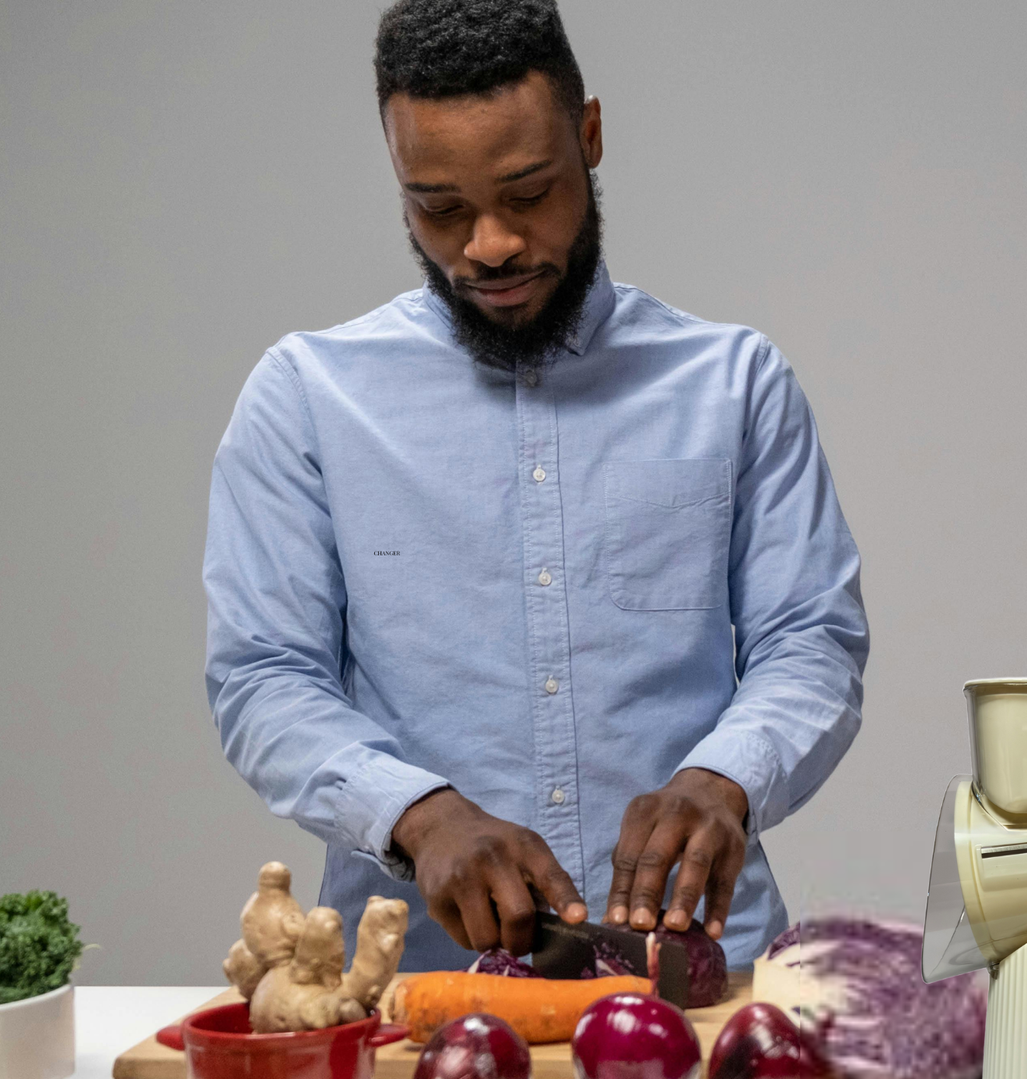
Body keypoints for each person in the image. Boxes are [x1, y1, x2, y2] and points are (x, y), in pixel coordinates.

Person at [202, 0, 867, 971]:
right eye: (439, 207)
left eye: (527, 192)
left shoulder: (735, 385)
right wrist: (418, 818)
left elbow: (811, 642)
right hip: (416, 998)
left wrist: (724, 778)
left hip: (698, 982)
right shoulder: (306, 397)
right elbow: (263, 678)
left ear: (588, 136)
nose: (489, 244)